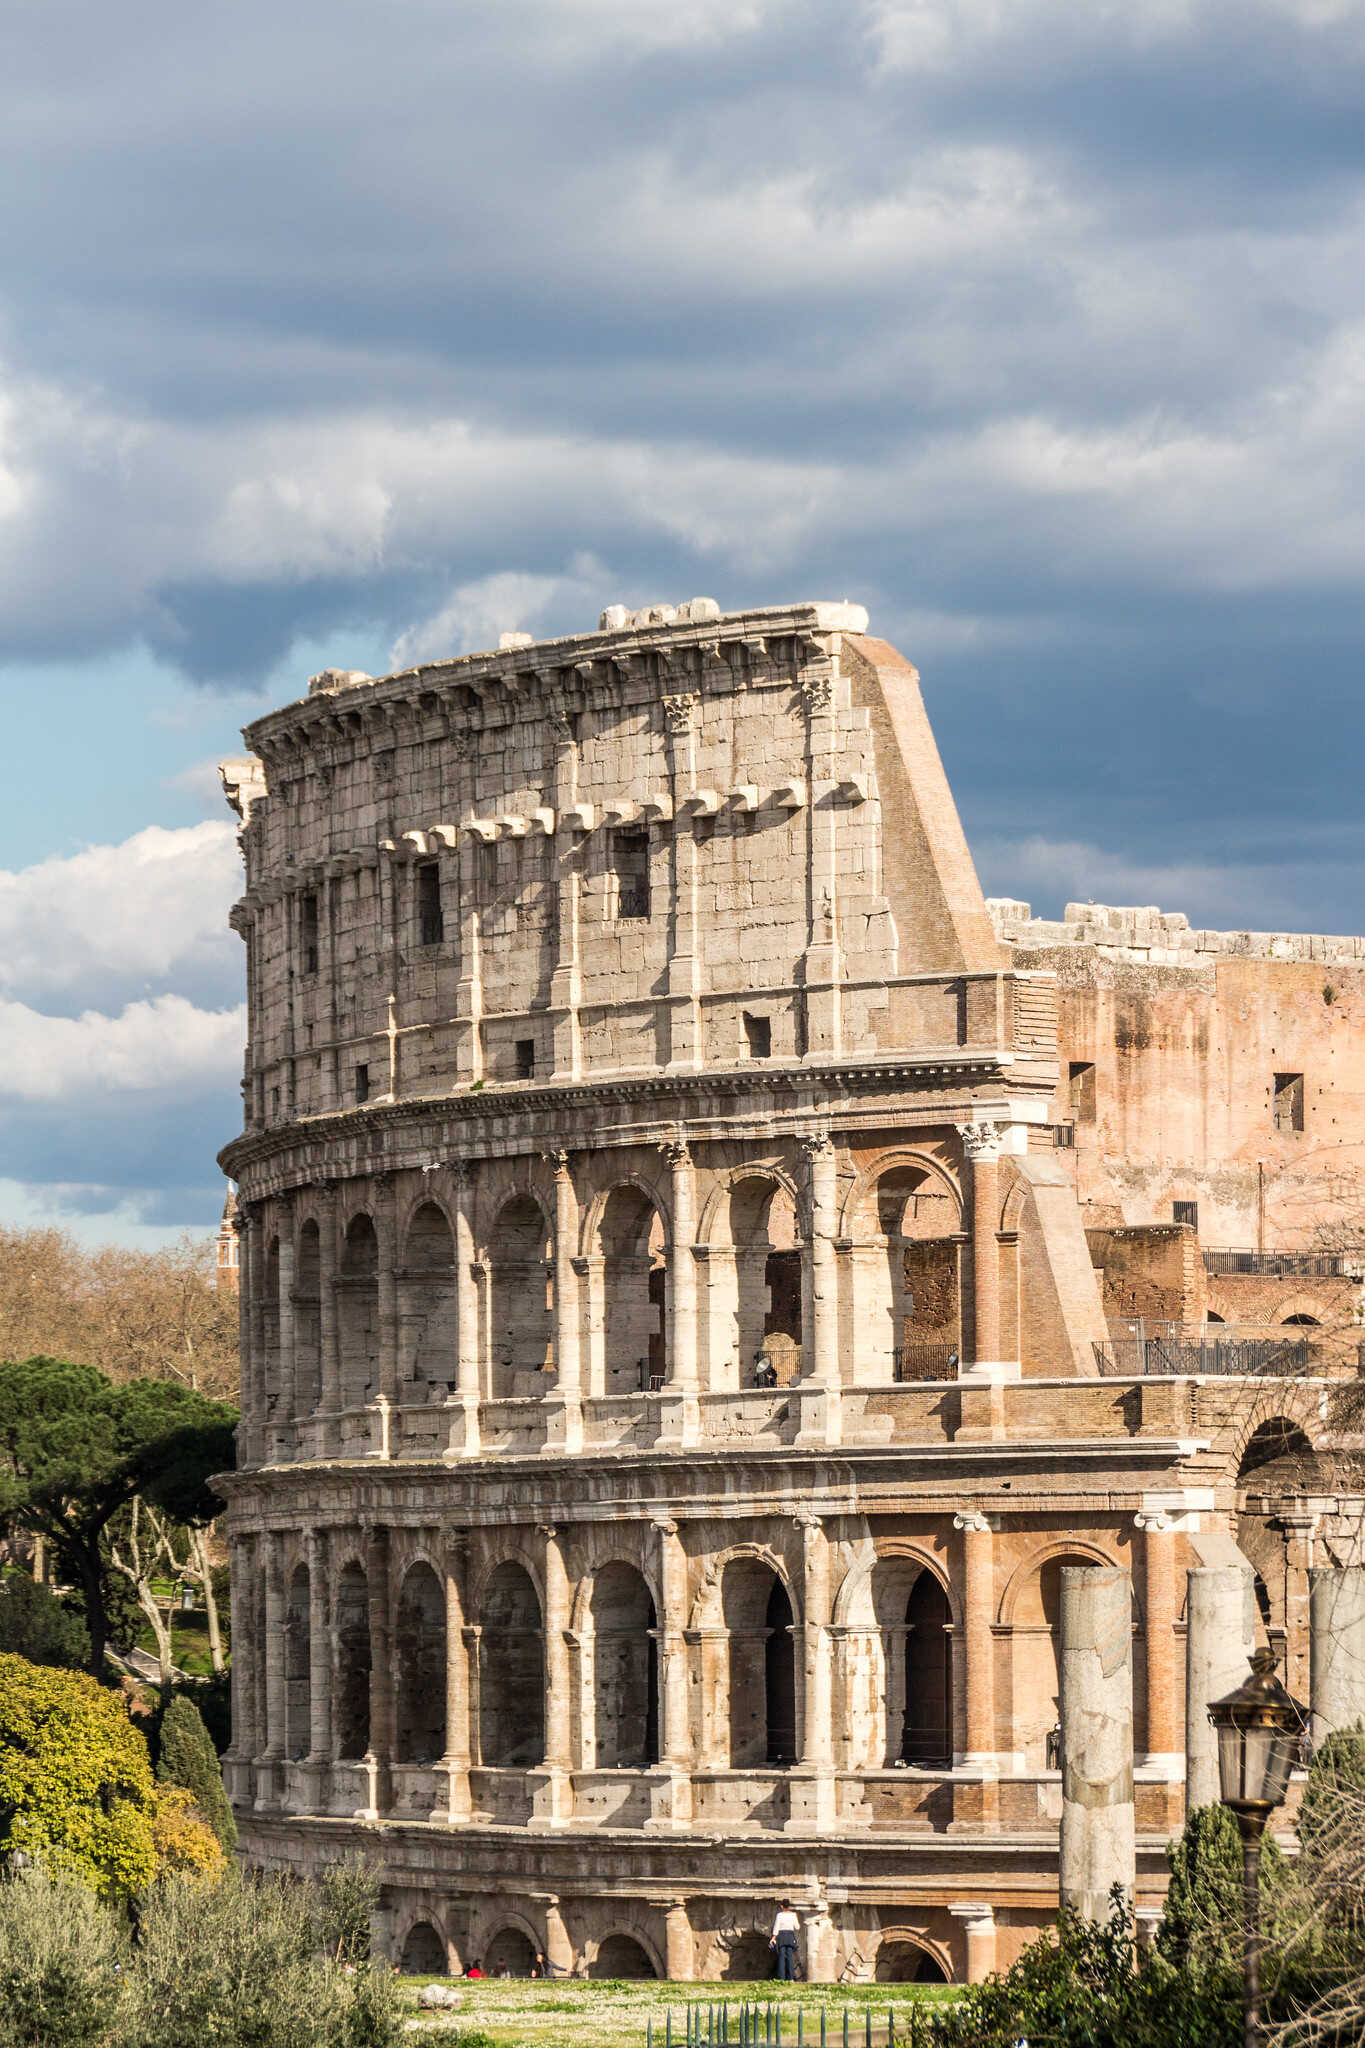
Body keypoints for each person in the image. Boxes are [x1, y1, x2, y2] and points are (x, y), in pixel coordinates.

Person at [769, 1900, 800, 1981]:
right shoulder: (793, 1915)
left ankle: (781, 1978)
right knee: (790, 1957)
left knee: (781, 1957)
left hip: (781, 1936)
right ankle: (791, 1978)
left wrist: (773, 1938)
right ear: (789, 1906)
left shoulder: (779, 1915)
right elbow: (797, 1927)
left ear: (782, 1906)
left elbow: (776, 1927)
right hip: (790, 1936)